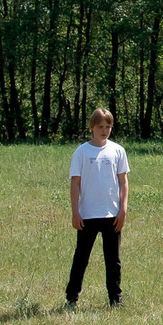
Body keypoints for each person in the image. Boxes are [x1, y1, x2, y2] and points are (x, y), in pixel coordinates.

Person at [66, 108, 131, 309]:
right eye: (100, 126)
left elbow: (123, 182)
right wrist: (75, 212)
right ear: (92, 128)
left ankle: (115, 299)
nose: (104, 130)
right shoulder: (82, 152)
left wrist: (123, 209)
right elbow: (75, 183)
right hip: (88, 215)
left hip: (112, 214)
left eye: (108, 126)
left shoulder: (118, 151)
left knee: (113, 260)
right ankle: (71, 298)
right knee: (81, 258)